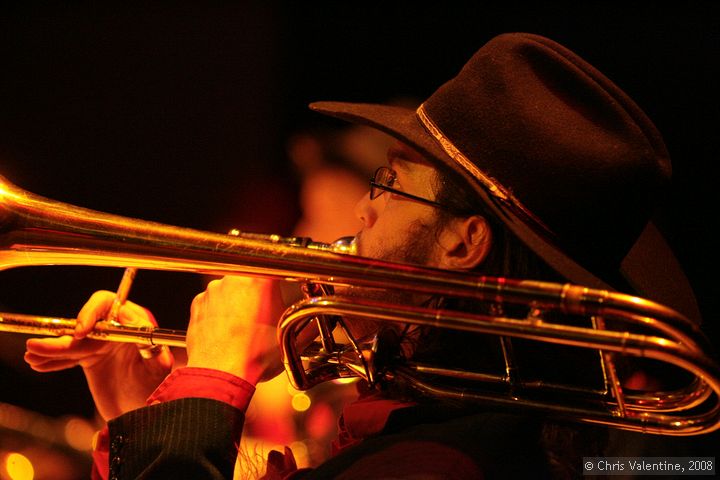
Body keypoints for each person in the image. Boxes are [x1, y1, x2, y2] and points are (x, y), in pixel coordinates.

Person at [23, 32, 703, 479]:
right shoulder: (445, 431)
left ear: (463, 243)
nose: (363, 211)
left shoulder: (439, 467)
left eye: (390, 184)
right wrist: (144, 414)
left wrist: (211, 379)